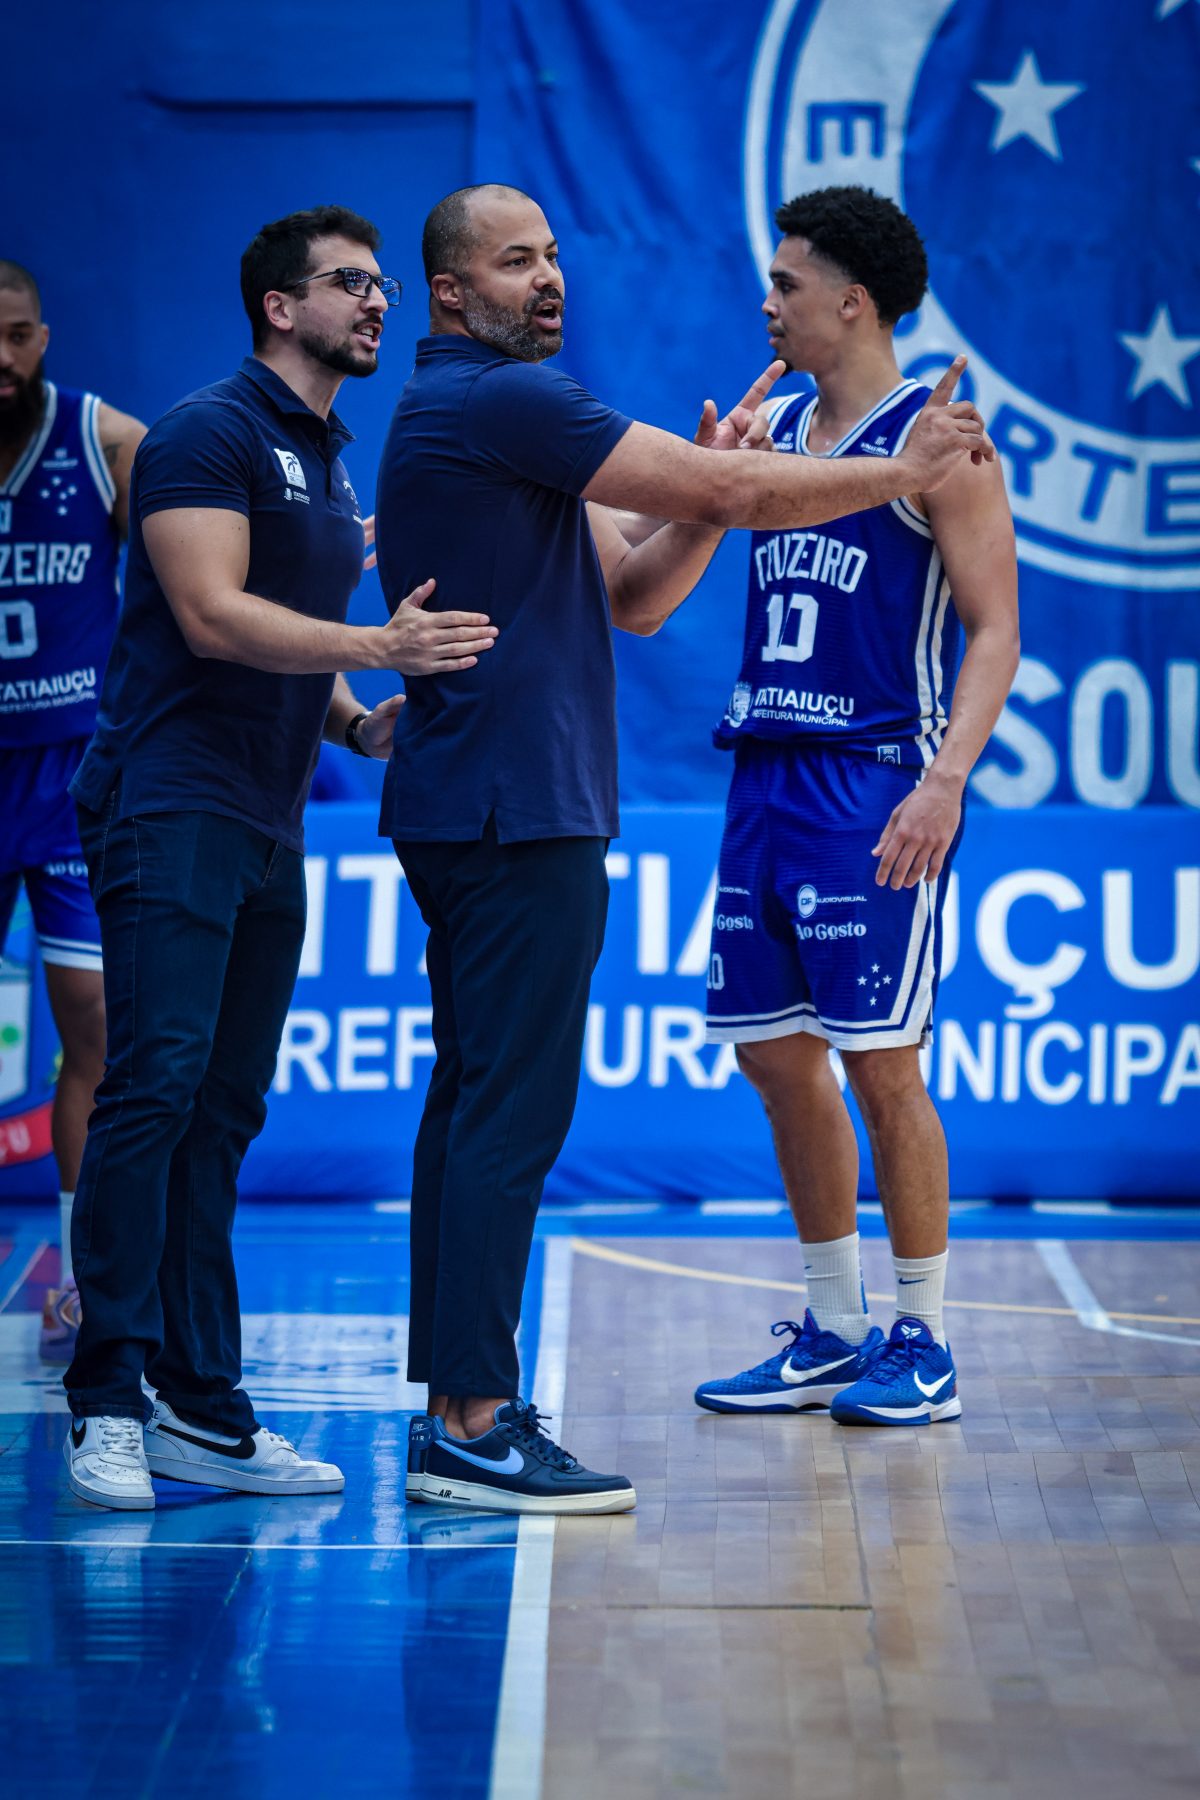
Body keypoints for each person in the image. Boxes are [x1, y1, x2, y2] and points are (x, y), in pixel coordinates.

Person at [376, 183, 993, 1516]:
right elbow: (732, 485)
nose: (550, 277)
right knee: (517, 1111)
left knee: (494, 1103)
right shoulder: (510, 400)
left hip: (790, 780)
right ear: (453, 292)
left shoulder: (497, 413)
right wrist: (896, 474)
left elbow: (637, 595)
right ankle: (474, 1419)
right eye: (517, 260)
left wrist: (944, 775)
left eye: (554, 253)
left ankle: (903, 1332)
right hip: (523, 803)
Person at [62, 205, 498, 1512]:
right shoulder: (208, 431)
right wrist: (378, 648)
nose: (377, 303)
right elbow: (211, 615)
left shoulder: (327, 454)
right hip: (167, 804)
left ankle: (202, 1410)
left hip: (266, 816)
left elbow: (290, 626)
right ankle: (106, 1400)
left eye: (381, 285)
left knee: (222, 1111)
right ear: (278, 306)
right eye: (349, 284)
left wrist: (360, 721)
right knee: (154, 1089)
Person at [694, 185, 1019, 1427]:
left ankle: (923, 1340)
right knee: (776, 1057)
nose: (766, 300)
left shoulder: (941, 443)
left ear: (853, 302)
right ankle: (834, 1329)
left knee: (884, 1062)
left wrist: (946, 780)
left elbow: (996, 629)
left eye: (786, 283)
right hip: (764, 772)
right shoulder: (773, 425)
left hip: (873, 781)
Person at [0, 260, 145, 1360]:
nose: (0, 360)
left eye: (16, 336)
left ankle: (84, 1283)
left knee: (94, 1024)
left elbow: (197, 574)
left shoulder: (104, 441)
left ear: (43, 337)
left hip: (69, 773)